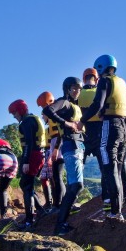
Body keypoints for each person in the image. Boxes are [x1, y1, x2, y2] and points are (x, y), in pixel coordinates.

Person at [80, 55, 126, 222]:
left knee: (109, 169)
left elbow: (98, 105)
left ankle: (114, 212)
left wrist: (82, 121)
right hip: (124, 128)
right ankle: (118, 211)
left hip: (110, 126)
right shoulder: (122, 82)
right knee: (118, 168)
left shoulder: (105, 81)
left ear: (100, 68)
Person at [43, 77, 86, 236]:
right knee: (76, 185)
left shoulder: (74, 106)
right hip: (72, 146)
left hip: (77, 145)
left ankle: (65, 219)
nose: (77, 91)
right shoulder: (64, 102)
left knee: (74, 184)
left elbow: (61, 131)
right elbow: (48, 110)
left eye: (79, 89)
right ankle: (60, 225)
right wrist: (67, 124)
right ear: (67, 89)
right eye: (74, 88)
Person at [8, 99, 47, 229]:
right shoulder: (31, 119)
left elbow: (29, 142)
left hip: (33, 155)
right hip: (38, 153)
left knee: (26, 185)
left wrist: (25, 162)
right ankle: (40, 210)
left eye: (14, 113)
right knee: (25, 184)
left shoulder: (27, 122)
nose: (14, 116)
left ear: (20, 111)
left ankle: (29, 220)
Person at [78, 67, 108, 211]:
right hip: (99, 133)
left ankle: (72, 201)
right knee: (104, 168)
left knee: (78, 169)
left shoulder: (78, 94)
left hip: (82, 134)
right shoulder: (100, 92)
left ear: (84, 79)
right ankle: (107, 199)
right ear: (97, 79)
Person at [37, 91, 60, 209]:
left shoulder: (55, 121)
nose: (42, 116)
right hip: (47, 152)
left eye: (43, 114)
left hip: (51, 152)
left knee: (53, 178)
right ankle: (50, 202)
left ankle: (54, 202)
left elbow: (56, 138)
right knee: (47, 177)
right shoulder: (47, 128)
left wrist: (52, 153)